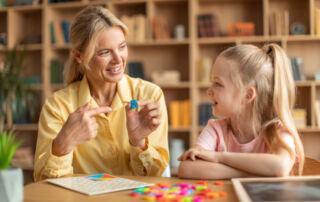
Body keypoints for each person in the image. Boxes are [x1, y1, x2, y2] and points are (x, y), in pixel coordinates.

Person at [34, 6, 169, 181]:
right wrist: (62, 145)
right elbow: (45, 185)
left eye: (122, 47)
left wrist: (139, 143)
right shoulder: (58, 106)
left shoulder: (149, 96)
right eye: (105, 52)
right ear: (79, 56)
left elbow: (158, 178)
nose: (118, 59)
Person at [178, 43, 304, 179]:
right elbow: (187, 168)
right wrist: (254, 173)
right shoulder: (215, 129)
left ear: (247, 96)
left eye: (218, 84)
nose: (209, 91)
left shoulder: (278, 131)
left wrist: (219, 157)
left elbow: (280, 167)